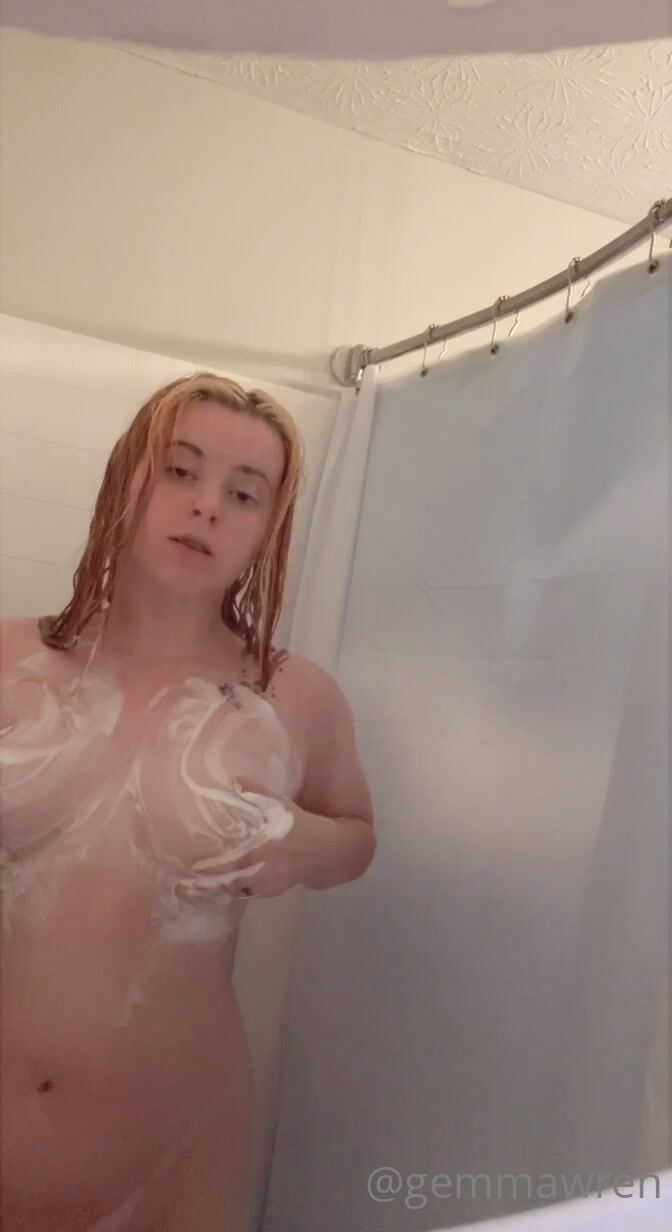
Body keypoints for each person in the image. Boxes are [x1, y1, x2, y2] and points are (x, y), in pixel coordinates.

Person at [0, 372, 376, 1232]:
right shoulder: (11, 659)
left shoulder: (294, 697)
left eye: (244, 493)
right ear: (125, 479)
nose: (206, 505)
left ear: (269, 528)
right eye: (180, 470)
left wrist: (301, 846)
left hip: (174, 1152)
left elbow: (358, 836)